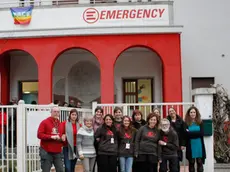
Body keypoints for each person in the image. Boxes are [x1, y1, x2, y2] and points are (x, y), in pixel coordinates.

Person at [37, 107, 63, 172]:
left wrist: (62, 138)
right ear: (51, 112)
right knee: (46, 170)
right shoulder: (45, 122)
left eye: (58, 112)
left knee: (60, 170)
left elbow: (61, 135)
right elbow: (39, 135)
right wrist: (51, 137)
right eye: (54, 111)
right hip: (46, 151)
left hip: (58, 151)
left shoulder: (60, 124)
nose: (56, 113)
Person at [185, 106, 206, 172]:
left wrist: (190, 133)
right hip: (190, 145)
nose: (192, 113)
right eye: (191, 112)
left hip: (199, 144)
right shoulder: (186, 123)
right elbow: (186, 134)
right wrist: (197, 133)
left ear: (196, 113)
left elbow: (201, 133)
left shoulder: (200, 122)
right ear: (189, 113)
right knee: (191, 162)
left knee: (200, 162)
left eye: (194, 112)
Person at [167, 107, 186, 171]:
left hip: (178, 143)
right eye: (170, 111)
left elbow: (183, 133)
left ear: (175, 111)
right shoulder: (167, 121)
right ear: (168, 113)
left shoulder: (181, 121)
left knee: (177, 161)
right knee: (171, 161)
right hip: (170, 143)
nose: (171, 112)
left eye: (172, 110)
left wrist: (183, 144)